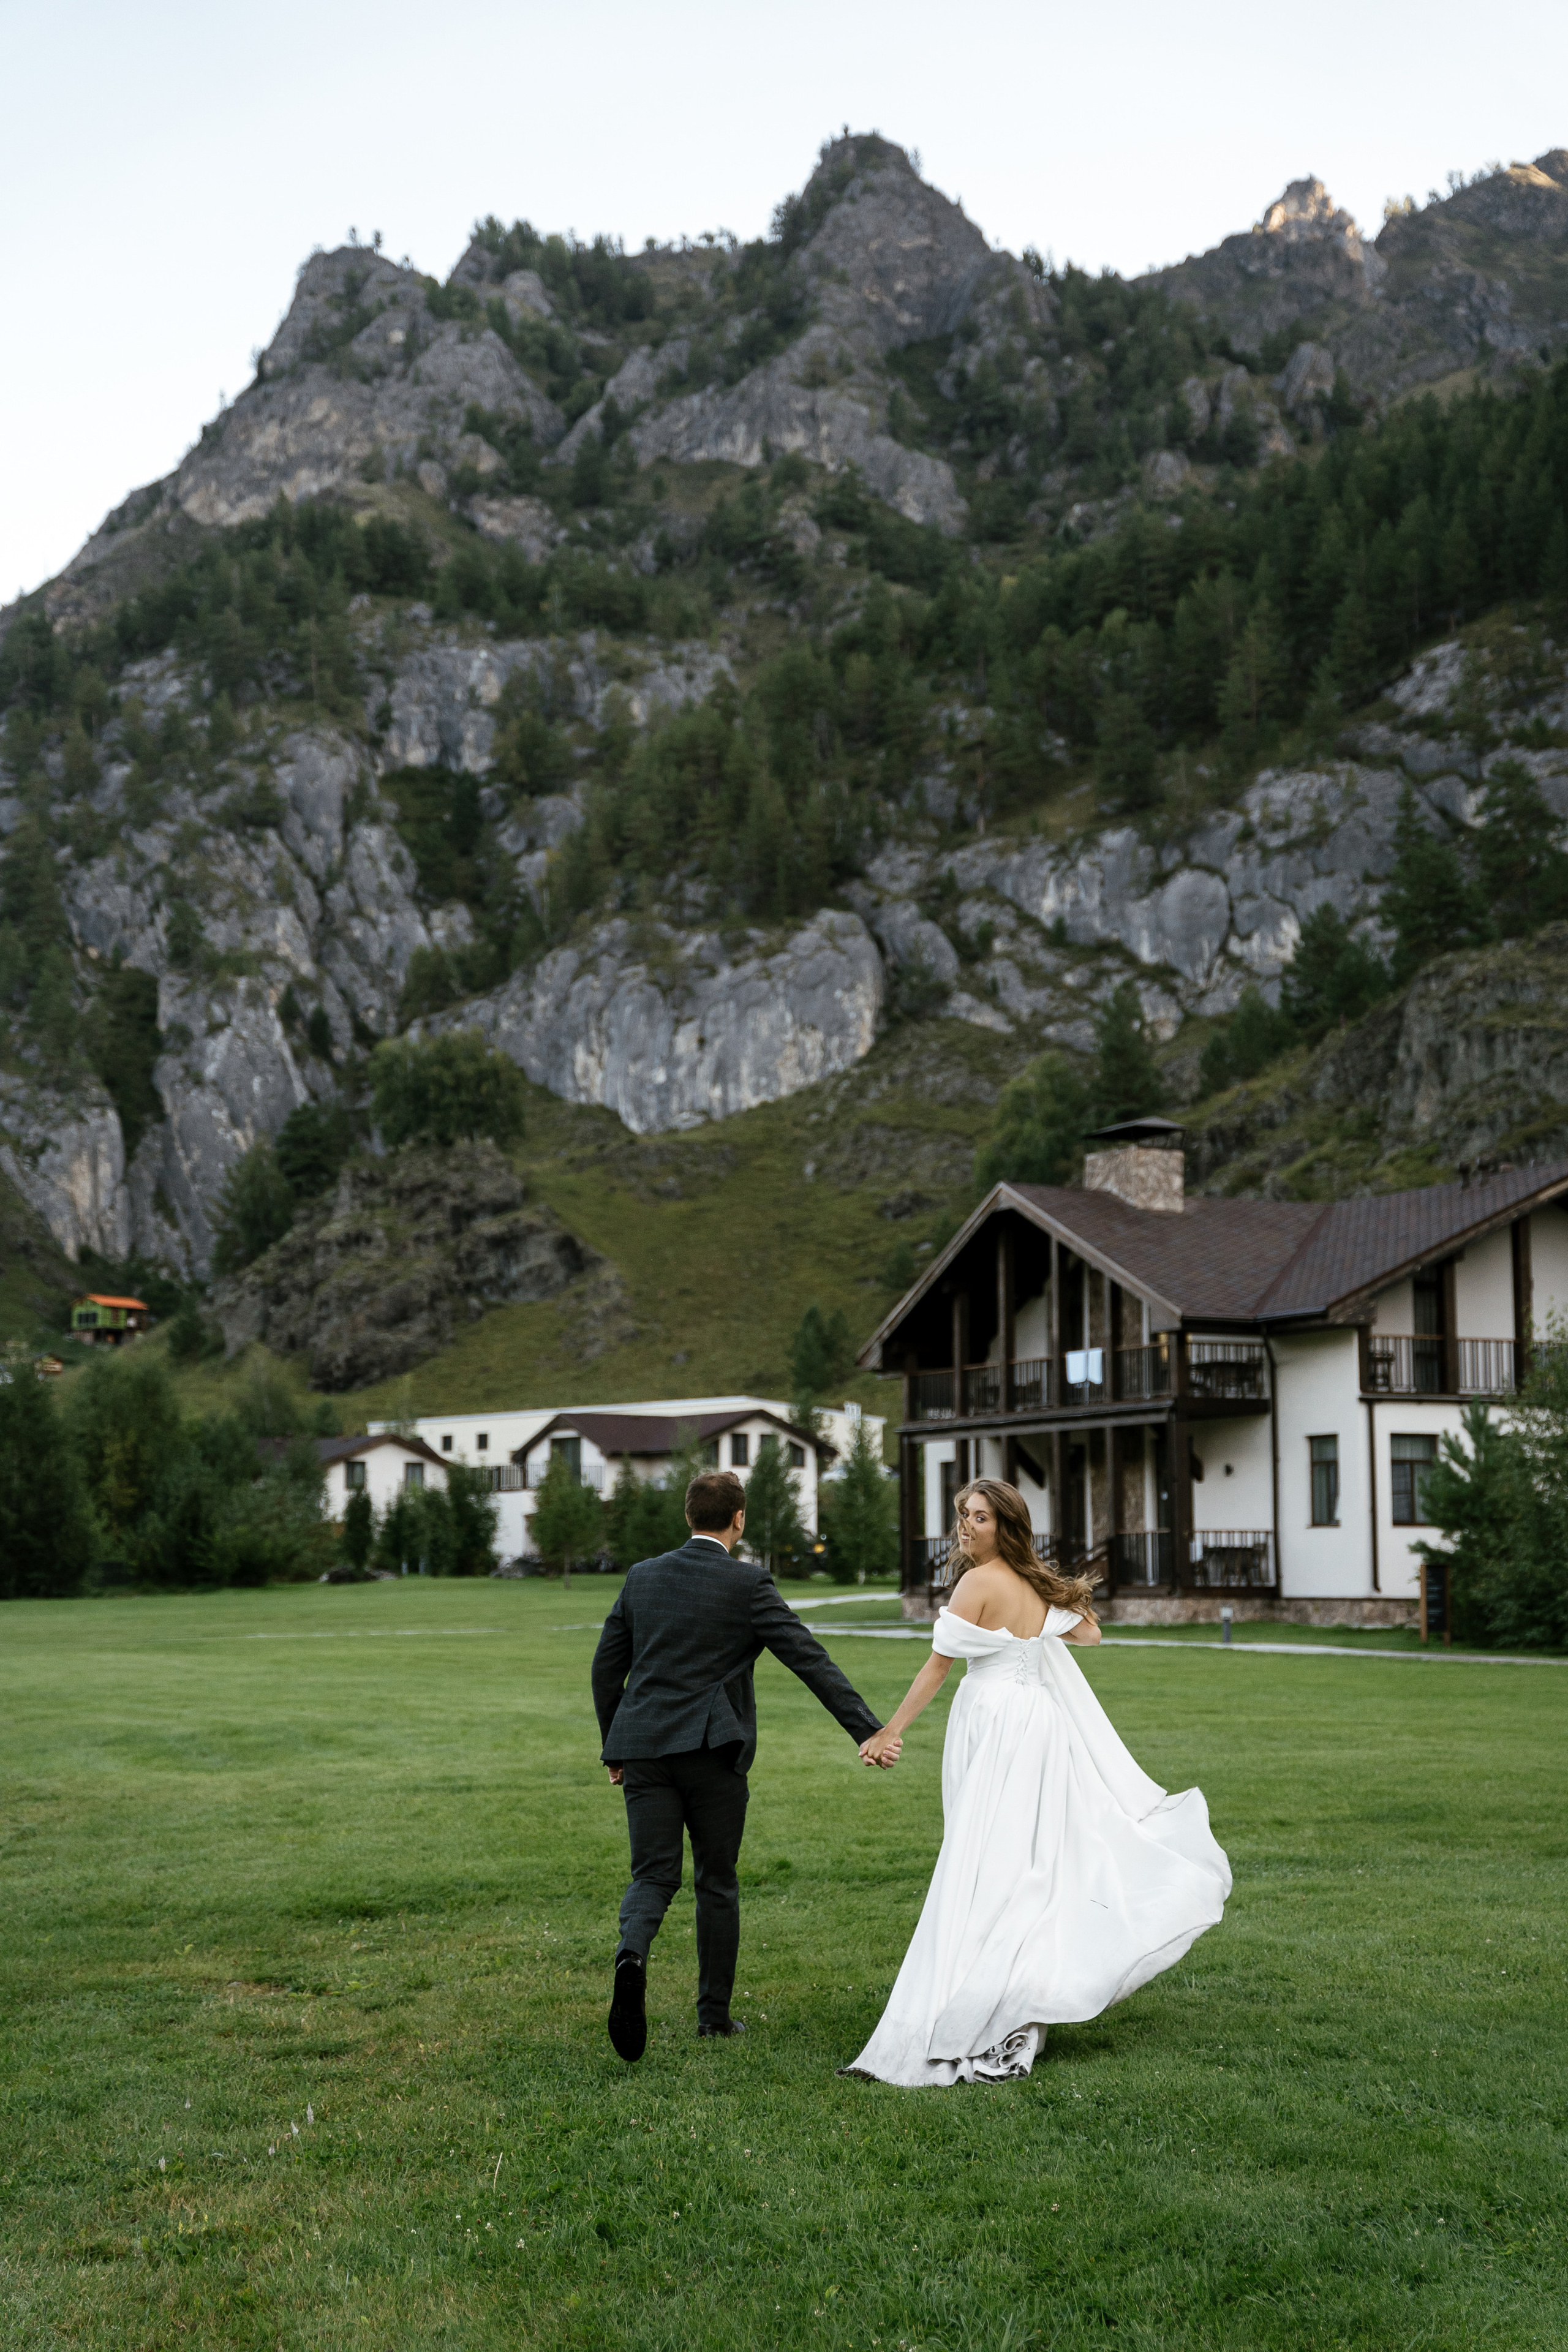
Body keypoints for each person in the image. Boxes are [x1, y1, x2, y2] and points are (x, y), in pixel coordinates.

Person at [842, 1477, 1231, 2086]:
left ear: (1005, 1526)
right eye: (963, 1516)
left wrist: (889, 1731)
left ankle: (975, 2007)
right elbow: (1088, 1632)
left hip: (994, 1722)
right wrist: (1045, 1602)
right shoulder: (1030, 1581)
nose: (966, 1526)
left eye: (979, 1518)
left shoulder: (977, 1582)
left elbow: (938, 1666)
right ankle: (1017, 2005)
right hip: (1037, 1723)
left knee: (985, 1864)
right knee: (1026, 1863)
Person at [592, 1467, 890, 2061]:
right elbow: (810, 1660)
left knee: (652, 1877)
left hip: (645, 1747)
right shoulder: (748, 1585)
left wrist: (615, 1745)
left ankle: (632, 1955)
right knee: (716, 1881)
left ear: (687, 1517)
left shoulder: (642, 1577)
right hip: (712, 1752)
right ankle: (714, 2019)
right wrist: (868, 1728)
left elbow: (606, 1669)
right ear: (739, 1520)